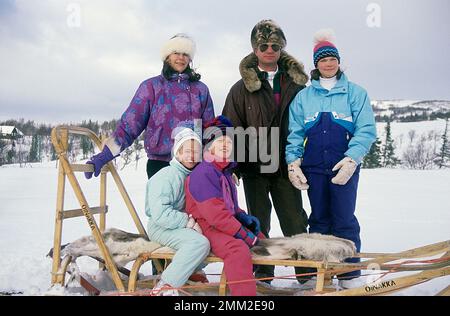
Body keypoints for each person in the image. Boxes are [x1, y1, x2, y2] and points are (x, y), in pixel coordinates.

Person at [285, 29, 377, 289]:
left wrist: (352, 159)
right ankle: (318, 272)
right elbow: (295, 133)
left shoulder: (355, 93)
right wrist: (293, 163)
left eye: (332, 59)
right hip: (314, 168)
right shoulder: (303, 97)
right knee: (319, 219)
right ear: (316, 64)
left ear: (338, 61)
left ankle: (348, 274)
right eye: (323, 59)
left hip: (343, 167)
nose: (328, 63)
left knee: (344, 219)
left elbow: (366, 130)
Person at [222, 19, 309, 283]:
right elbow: (230, 128)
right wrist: (232, 166)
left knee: (294, 219)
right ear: (255, 49)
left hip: (285, 164)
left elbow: (307, 123)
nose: (269, 49)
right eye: (263, 45)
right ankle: (263, 275)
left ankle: (306, 275)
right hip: (254, 166)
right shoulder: (240, 89)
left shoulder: (296, 85)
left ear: (281, 47)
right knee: (258, 222)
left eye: (275, 45)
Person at [84, 33, 215, 180]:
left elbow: (209, 131)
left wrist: (219, 164)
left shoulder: (200, 90)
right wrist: (104, 156)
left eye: (185, 54)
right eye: (176, 53)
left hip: (194, 165)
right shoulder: (151, 87)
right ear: (167, 56)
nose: (181, 57)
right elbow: (129, 126)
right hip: (160, 164)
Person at [185, 116, 264, 296]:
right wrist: (242, 233)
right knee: (238, 249)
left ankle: (239, 283)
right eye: (220, 140)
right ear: (209, 146)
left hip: (221, 224)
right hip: (205, 226)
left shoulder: (224, 170)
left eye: (228, 140)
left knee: (261, 239)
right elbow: (215, 215)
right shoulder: (204, 173)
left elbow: (230, 208)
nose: (225, 144)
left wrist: (244, 218)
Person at [145, 121, 210, 296]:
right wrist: (187, 221)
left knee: (211, 235)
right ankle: (166, 285)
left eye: (195, 152)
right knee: (199, 243)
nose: (191, 156)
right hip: (161, 226)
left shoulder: (193, 175)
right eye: (187, 151)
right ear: (178, 153)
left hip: (179, 224)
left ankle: (192, 272)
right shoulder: (167, 176)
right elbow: (160, 214)